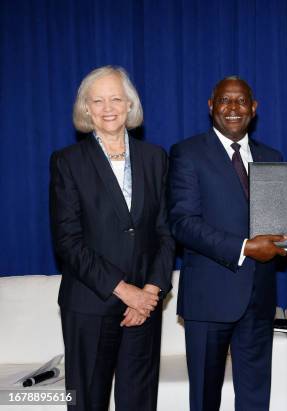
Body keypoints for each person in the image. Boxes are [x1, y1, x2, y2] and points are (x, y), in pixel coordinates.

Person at [49, 66, 175, 411]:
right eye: (98, 100)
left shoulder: (155, 158)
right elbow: (68, 241)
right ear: (86, 109)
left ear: (130, 105)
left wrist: (150, 291)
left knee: (139, 401)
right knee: (87, 401)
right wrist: (125, 291)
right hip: (90, 304)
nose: (108, 107)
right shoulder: (68, 161)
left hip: (144, 308)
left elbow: (166, 231)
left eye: (116, 98)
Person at [168, 76, 287, 411]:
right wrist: (245, 248)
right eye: (225, 101)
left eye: (241, 101)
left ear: (254, 107)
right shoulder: (187, 153)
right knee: (205, 399)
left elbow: (282, 228)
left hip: (258, 298)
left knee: (255, 398)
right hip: (208, 299)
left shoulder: (272, 157)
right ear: (211, 106)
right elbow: (183, 223)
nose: (233, 108)